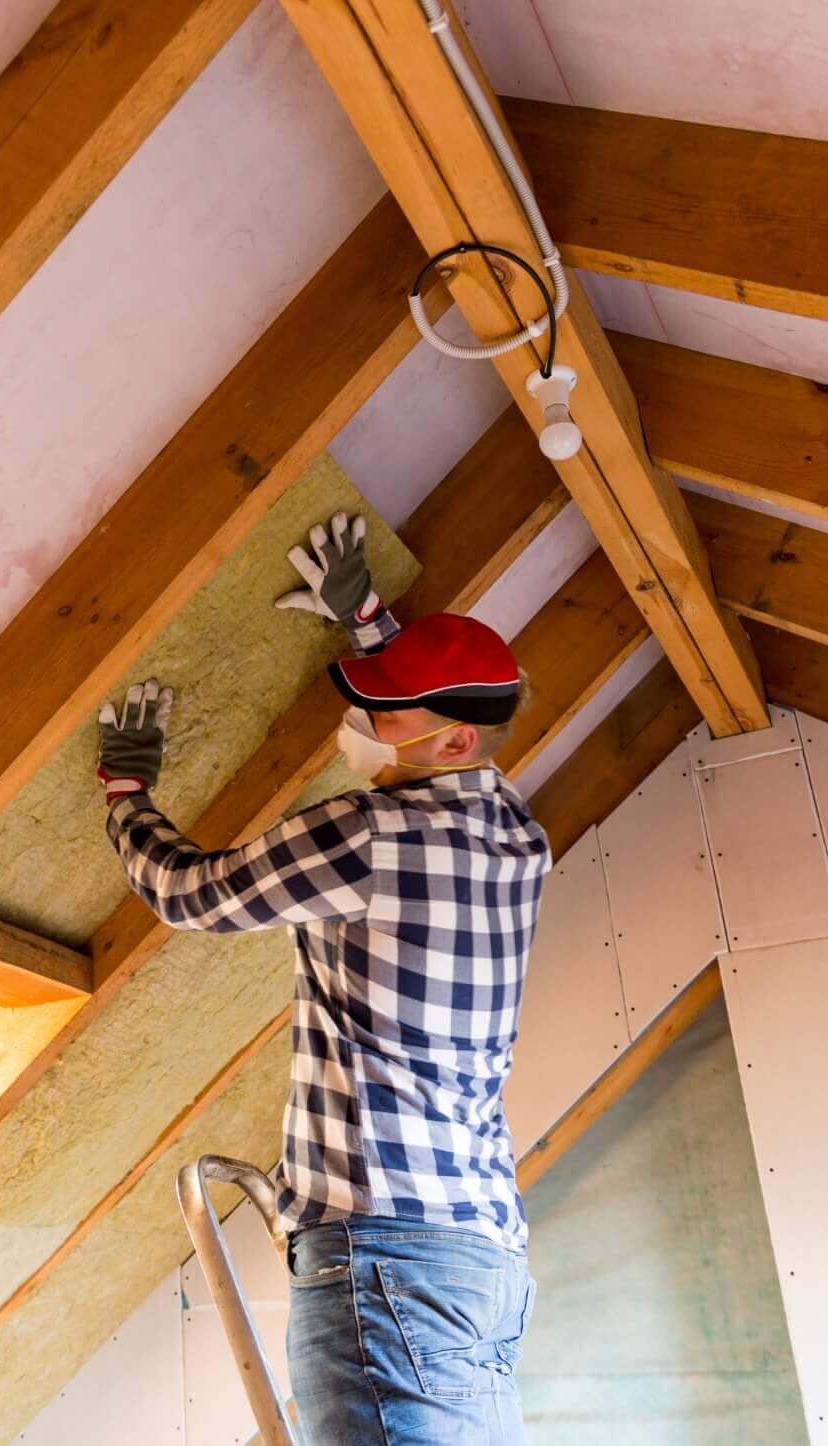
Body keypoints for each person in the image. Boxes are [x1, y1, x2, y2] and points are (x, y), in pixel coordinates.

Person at [95, 512, 552, 1445]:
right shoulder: (517, 835)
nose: (366, 725)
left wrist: (124, 798)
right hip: (477, 1259)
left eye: (388, 712)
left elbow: (191, 894)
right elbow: (448, 712)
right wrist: (372, 626)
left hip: (385, 1260)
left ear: (456, 743)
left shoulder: (370, 835)